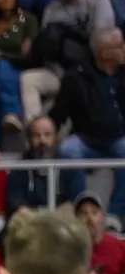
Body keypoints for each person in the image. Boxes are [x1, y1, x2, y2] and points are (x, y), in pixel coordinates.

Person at [53, 28, 125, 218]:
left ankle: (115, 217)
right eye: (120, 46)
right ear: (105, 53)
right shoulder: (76, 76)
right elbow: (59, 112)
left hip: (119, 138)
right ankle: (82, 212)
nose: (124, 48)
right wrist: (47, 131)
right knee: (68, 150)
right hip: (86, 139)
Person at [0, 0, 35, 145]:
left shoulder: (28, 21)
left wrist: (1, 54)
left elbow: (29, 57)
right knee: (0, 67)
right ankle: (11, 112)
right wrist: (14, 55)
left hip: (20, 71)